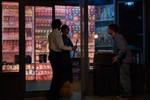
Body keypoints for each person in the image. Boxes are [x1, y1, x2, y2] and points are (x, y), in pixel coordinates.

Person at [47, 19, 77, 100]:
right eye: (60, 25)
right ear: (59, 25)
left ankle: (53, 93)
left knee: (56, 76)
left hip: (52, 55)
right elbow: (60, 46)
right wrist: (71, 48)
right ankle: (53, 94)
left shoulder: (51, 34)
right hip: (57, 56)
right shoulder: (57, 33)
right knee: (58, 76)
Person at [107, 24, 133, 100]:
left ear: (112, 30)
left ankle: (127, 96)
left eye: (108, 29)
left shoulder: (118, 37)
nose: (107, 30)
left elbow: (122, 49)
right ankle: (123, 94)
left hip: (125, 60)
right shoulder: (116, 38)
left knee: (124, 78)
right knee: (123, 78)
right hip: (123, 60)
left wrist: (117, 57)